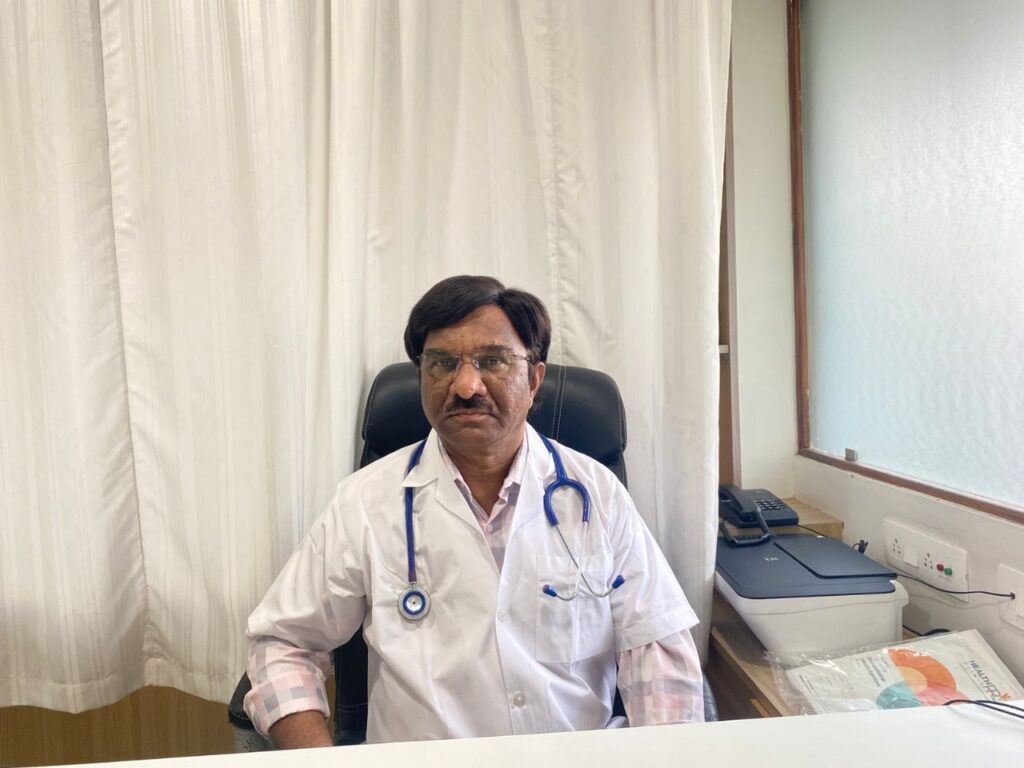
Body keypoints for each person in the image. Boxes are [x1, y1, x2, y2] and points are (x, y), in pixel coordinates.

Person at [244, 275, 704, 748]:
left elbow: (658, 654)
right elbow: (283, 643)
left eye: (493, 361)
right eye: (442, 364)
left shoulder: (597, 495)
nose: (466, 386)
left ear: (534, 379)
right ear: (421, 378)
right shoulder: (364, 503)